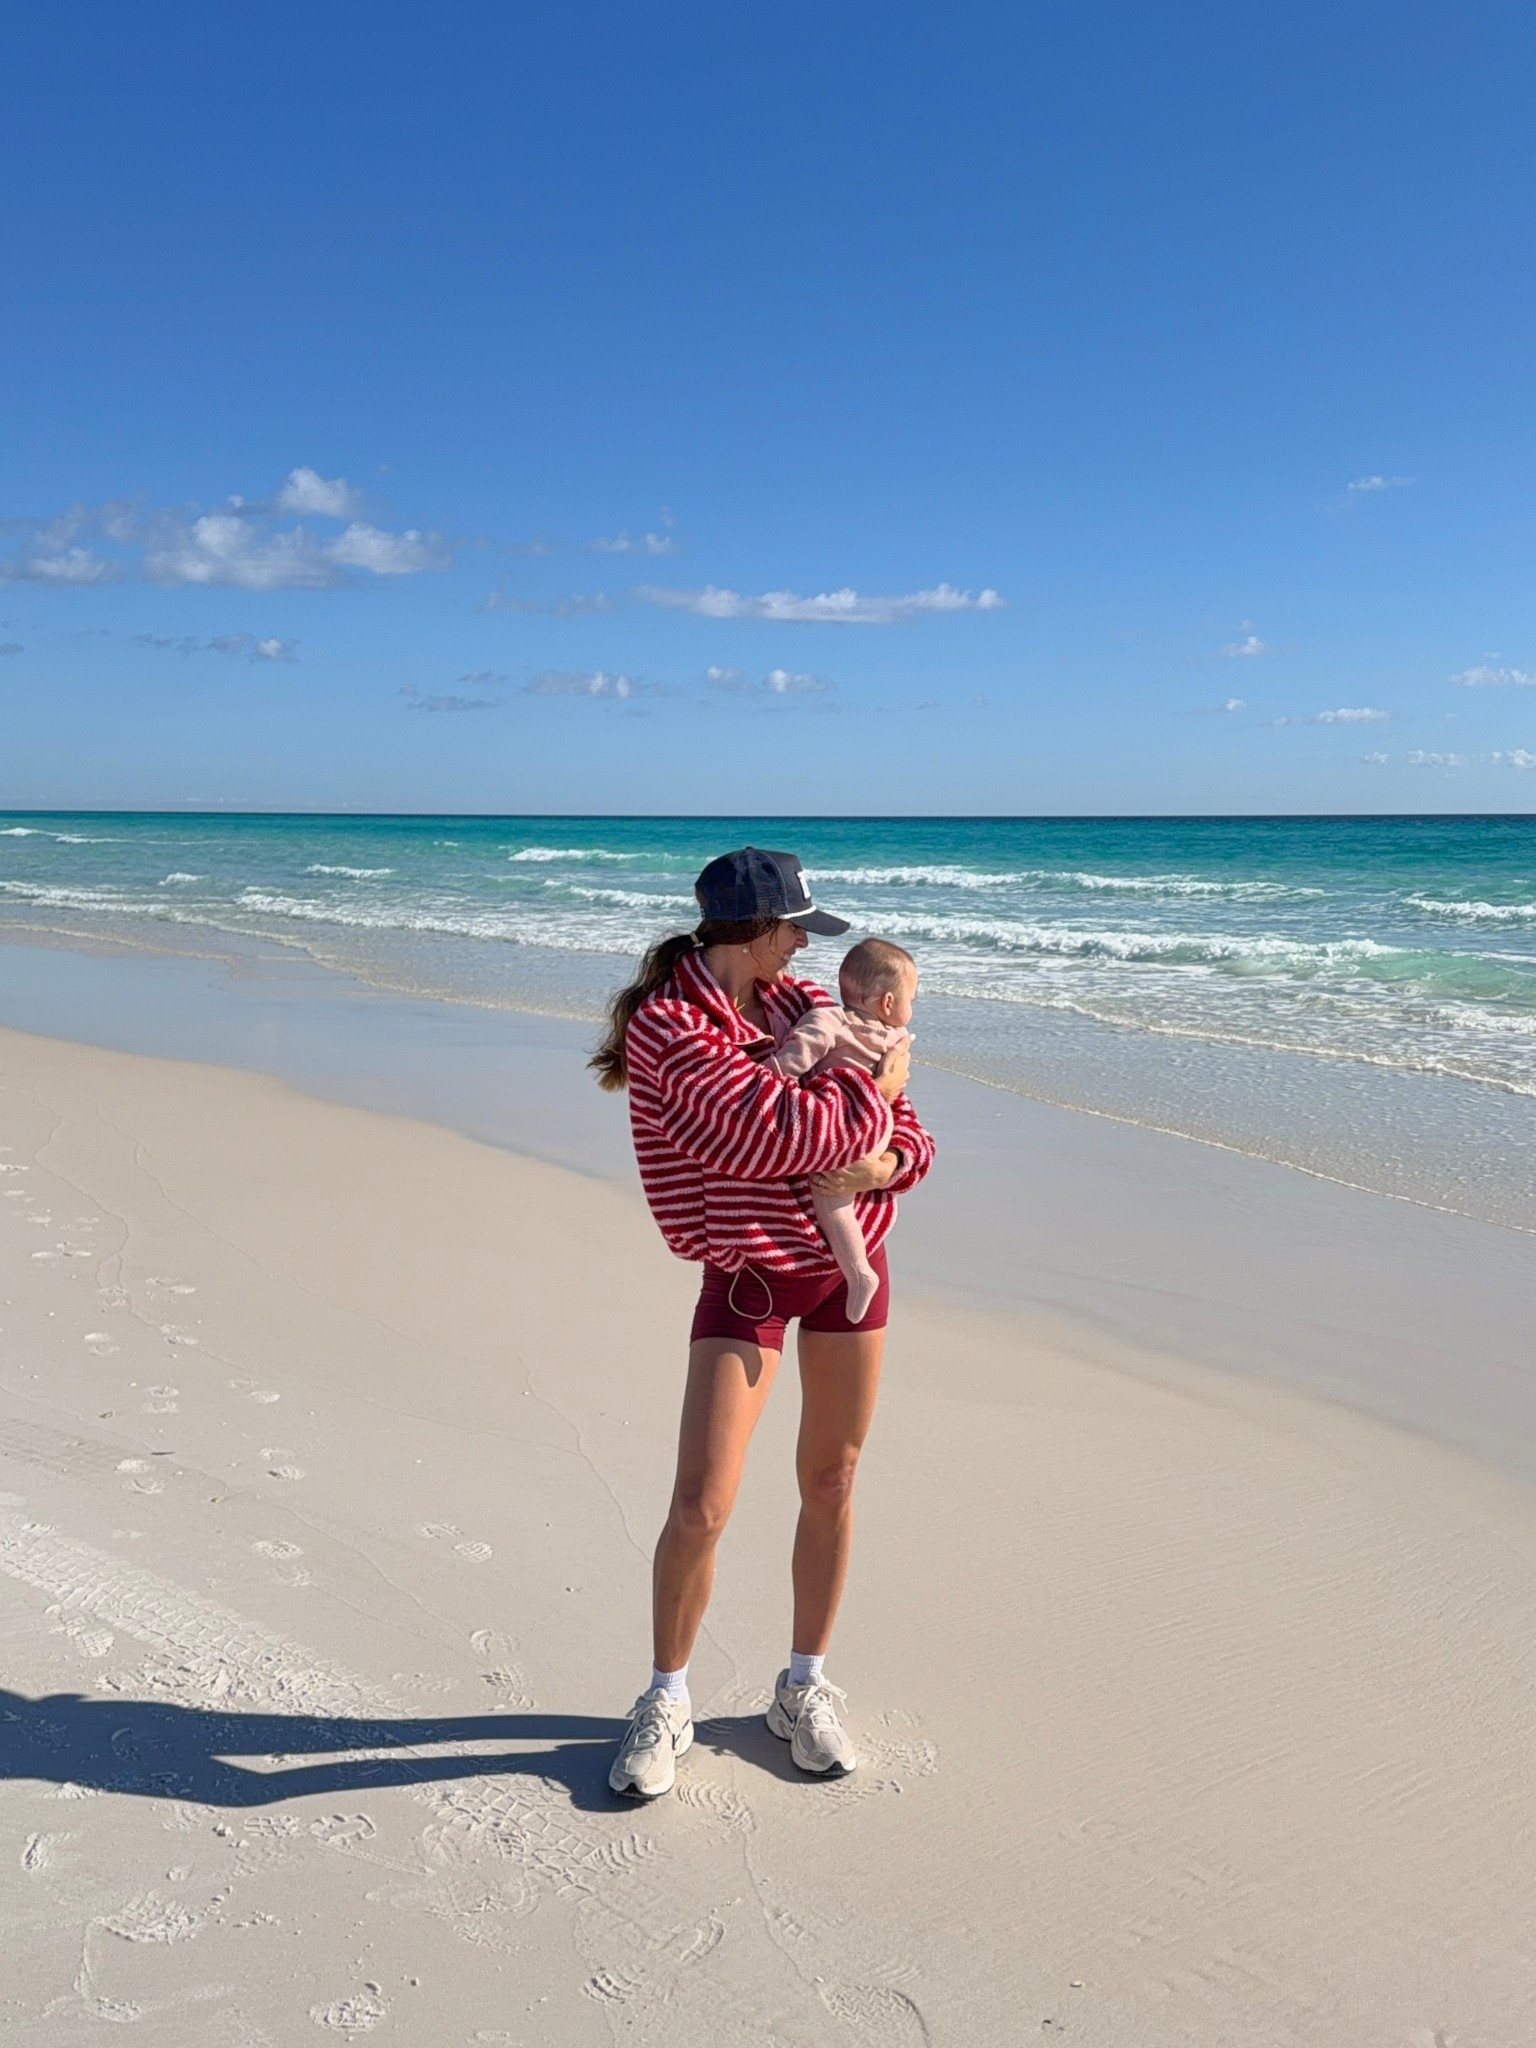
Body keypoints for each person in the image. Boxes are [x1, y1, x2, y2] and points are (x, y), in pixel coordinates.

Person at [589, 847, 934, 1799]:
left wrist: (880, 1165)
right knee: (702, 1503)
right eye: (793, 931)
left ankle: (802, 1687)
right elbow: (776, 1134)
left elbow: (914, 1140)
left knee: (833, 1477)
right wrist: (882, 1098)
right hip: (747, 1279)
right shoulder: (670, 1030)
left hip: (849, 1271)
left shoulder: (798, 1007)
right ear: (754, 931)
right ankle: (665, 1698)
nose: (803, 949)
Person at [761, 937, 919, 1325]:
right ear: (887, 1004)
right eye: (911, 999)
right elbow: (898, 1097)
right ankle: (866, 1252)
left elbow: (797, 1057)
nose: (911, 1008)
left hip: (846, 1126)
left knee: (830, 1194)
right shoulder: (898, 1041)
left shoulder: (829, 1019)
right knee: (841, 1194)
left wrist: (767, 1078)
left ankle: (858, 1270)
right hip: (879, 1125)